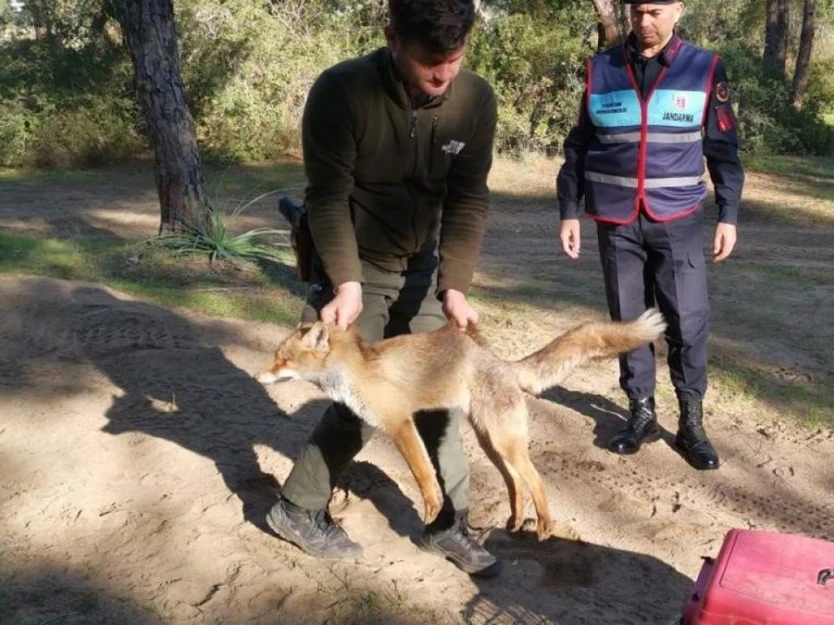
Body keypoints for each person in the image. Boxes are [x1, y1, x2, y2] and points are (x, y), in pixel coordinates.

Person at [265, 0, 503, 577]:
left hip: (421, 265)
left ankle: (450, 524)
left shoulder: (474, 100)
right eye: (430, 63)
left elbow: (468, 198)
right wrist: (345, 281)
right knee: (364, 402)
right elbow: (326, 197)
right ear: (393, 38)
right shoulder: (341, 92)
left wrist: (455, 286)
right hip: (355, 263)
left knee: (443, 391)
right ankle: (297, 508)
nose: (444, 75)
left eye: (455, 59)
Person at [555, 0, 744, 471]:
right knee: (629, 325)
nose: (644, 22)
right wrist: (568, 211)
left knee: (688, 323)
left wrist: (729, 214)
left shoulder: (704, 68)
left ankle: (691, 422)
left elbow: (723, 149)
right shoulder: (600, 70)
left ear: (679, 10)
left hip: (676, 221)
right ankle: (641, 413)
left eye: (655, 11)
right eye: (637, 11)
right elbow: (578, 147)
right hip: (616, 223)